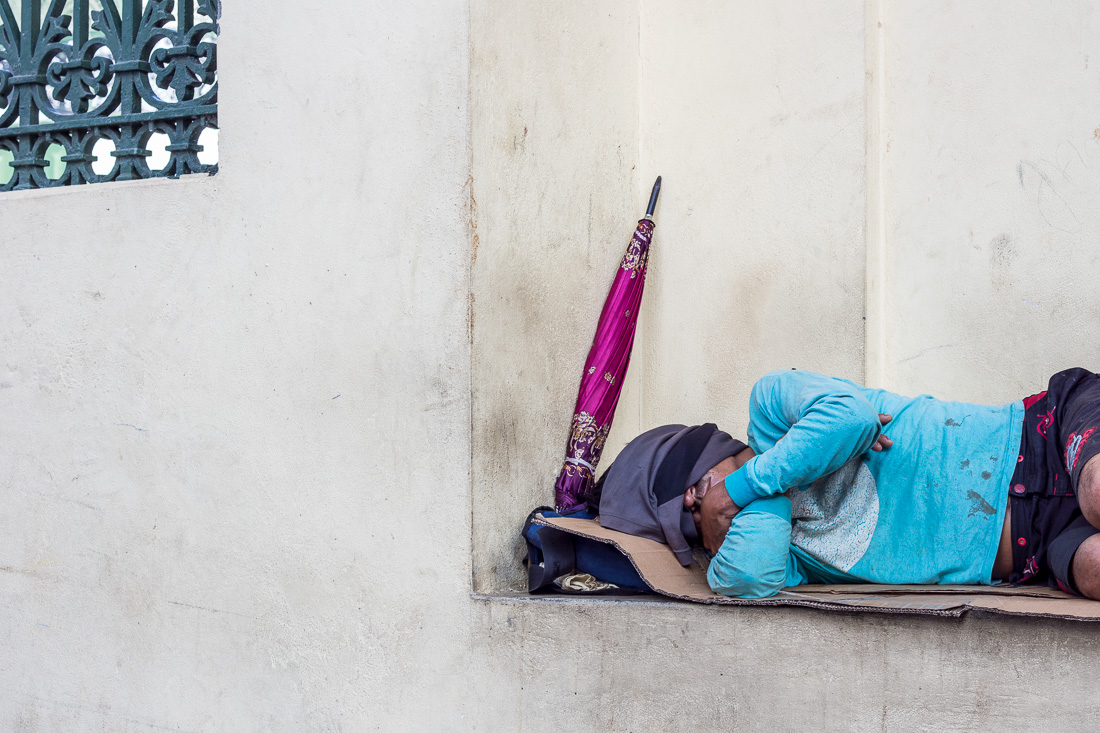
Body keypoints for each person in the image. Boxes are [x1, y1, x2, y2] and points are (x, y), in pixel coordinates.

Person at [595, 368, 1100, 600]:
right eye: (689, 529)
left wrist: (738, 488)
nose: (700, 528)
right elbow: (745, 578)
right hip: (1037, 545)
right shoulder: (776, 548)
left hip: (1043, 435)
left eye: (691, 507)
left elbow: (851, 416)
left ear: (698, 476)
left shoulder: (770, 408)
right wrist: (751, 493)